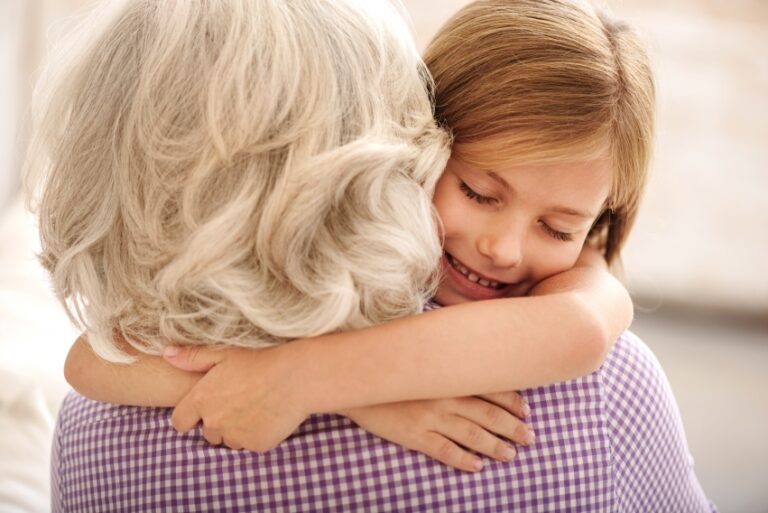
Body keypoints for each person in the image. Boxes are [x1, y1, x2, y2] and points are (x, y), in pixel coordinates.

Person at [39, 1, 716, 512]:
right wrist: (347, 395)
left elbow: (581, 328)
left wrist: (306, 382)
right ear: (414, 143)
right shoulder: (313, 286)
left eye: (561, 226)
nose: (503, 248)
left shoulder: (559, 314)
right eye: (479, 192)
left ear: (599, 228)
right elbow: (88, 361)